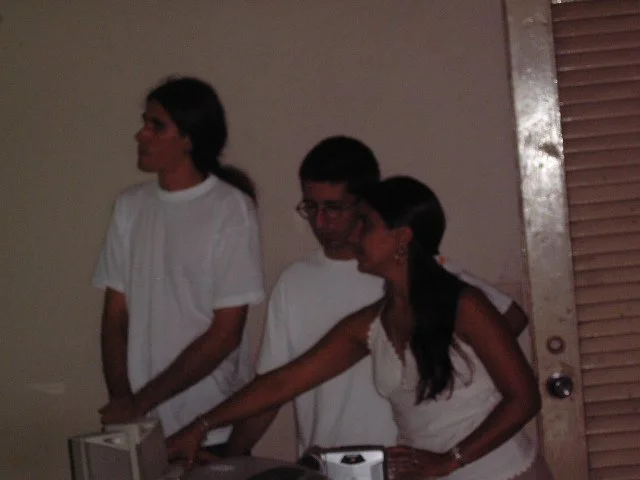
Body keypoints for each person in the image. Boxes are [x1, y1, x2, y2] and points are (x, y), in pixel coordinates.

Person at [167, 175, 552, 479]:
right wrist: (201, 426)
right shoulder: (374, 323)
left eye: (365, 224)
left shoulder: (465, 306)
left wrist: (449, 461)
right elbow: (283, 382)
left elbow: (524, 399)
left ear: (402, 238)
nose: (353, 234)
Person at [225, 138, 528, 454]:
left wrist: (439, 370)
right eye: (311, 207)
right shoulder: (294, 282)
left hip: (403, 459)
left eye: (334, 208)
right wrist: (229, 456)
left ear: (364, 205)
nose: (320, 222)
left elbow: (511, 318)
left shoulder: (413, 268)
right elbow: (275, 387)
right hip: (328, 461)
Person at [92, 76, 265, 455]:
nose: (141, 135)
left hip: (205, 427)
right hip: (142, 428)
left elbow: (226, 333)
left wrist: (141, 401)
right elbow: (115, 316)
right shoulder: (130, 206)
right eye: (144, 122)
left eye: (157, 126)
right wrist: (123, 400)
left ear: (188, 138)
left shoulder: (229, 208)